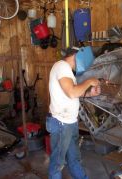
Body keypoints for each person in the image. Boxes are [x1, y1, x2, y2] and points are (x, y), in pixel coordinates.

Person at [46, 47, 100, 179]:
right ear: (77, 55)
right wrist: (89, 81)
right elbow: (72, 92)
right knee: (57, 163)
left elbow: (74, 93)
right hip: (61, 123)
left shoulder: (67, 71)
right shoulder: (62, 66)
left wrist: (89, 93)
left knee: (74, 159)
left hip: (69, 122)